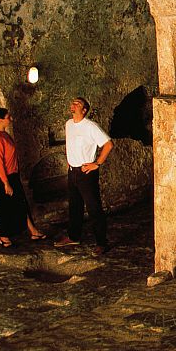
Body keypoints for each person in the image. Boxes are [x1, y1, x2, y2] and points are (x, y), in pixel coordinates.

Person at [55, 97, 114, 255]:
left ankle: (102, 242)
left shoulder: (90, 126)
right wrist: (70, 160)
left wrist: (97, 163)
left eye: (78, 104)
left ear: (84, 110)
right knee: (75, 206)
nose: (73, 105)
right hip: (72, 171)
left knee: (94, 208)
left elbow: (108, 144)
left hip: (86, 172)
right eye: (72, 102)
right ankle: (73, 236)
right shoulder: (69, 124)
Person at [0, 107, 46, 247]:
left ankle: (33, 231)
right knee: (5, 207)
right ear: (0, 120)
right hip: (3, 178)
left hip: (12, 174)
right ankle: (4, 236)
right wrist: (6, 183)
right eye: (8, 117)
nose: (11, 119)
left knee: (21, 203)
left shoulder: (4, 134)